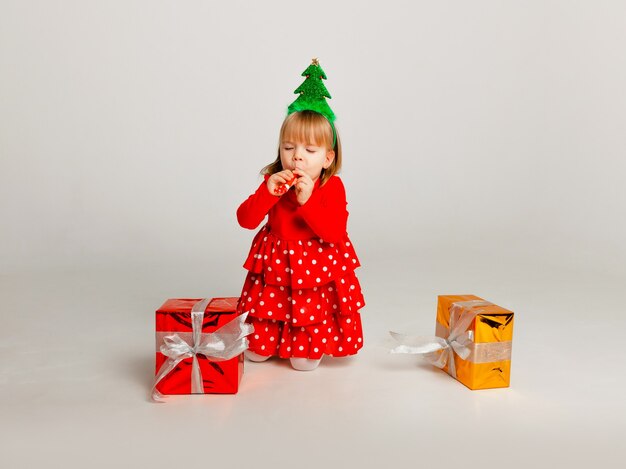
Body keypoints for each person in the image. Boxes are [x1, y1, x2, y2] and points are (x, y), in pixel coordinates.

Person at [236, 59, 364, 371]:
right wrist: (268, 192)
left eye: (309, 151)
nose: (297, 157)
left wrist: (308, 201)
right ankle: (266, 340)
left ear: (327, 157)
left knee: (307, 319)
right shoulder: (274, 179)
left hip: (315, 265)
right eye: (289, 147)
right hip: (277, 260)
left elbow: (333, 233)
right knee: (271, 306)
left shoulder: (332, 187)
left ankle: (307, 344)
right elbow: (246, 219)